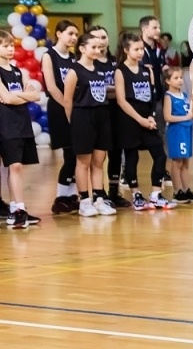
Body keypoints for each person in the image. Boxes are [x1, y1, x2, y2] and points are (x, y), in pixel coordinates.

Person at [111, 32, 172, 210]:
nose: (140, 52)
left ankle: (155, 194)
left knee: (160, 155)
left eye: (142, 49)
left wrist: (151, 116)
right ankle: (136, 193)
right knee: (132, 158)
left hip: (147, 119)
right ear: (126, 50)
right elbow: (121, 100)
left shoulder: (147, 70)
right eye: (136, 49)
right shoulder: (120, 71)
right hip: (130, 120)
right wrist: (139, 119)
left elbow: (152, 96)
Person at [63, 26, 116, 217]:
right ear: (82, 49)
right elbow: (67, 100)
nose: (97, 50)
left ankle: (99, 199)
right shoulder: (74, 71)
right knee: (83, 161)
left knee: (99, 161)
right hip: (82, 116)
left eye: (99, 48)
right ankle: (84, 201)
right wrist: (74, 122)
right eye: (93, 47)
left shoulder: (101, 69)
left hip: (101, 115)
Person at [0, 31, 43, 226]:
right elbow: (7, 98)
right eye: (5, 45)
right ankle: (17, 209)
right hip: (5, 123)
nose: (10, 49)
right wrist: (24, 96)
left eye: (11, 45)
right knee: (13, 165)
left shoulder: (18, 71)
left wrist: (21, 96)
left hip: (21, 121)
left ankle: (19, 208)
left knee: (18, 166)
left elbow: (35, 96)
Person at [42, 21, 81, 214]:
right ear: (59, 34)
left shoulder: (74, 58)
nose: (74, 37)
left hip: (75, 108)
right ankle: (60, 198)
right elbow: (51, 86)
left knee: (77, 154)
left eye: (76, 34)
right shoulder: (49, 56)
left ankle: (71, 195)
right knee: (70, 153)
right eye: (70, 33)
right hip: (59, 108)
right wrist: (67, 104)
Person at [162, 67, 193, 202]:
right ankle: (177, 191)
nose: (180, 80)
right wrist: (185, 118)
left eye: (181, 77)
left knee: (186, 161)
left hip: (187, 130)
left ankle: (186, 189)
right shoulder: (168, 97)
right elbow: (167, 117)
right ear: (168, 81)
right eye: (176, 78)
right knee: (177, 161)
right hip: (176, 131)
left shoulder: (185, 96)